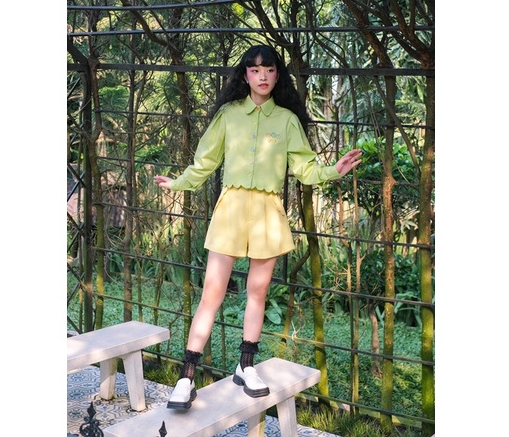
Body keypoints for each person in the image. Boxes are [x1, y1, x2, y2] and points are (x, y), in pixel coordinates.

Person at [154, 44, 362, 410]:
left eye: (269, 69)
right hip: (230, 211)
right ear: (245, 74)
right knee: (212, 293)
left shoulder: (287, 120)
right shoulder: (228, 115)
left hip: (268, 213)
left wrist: (334, 170)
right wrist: (179, 183)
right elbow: (205, 162)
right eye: (255, 69)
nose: (262, 76)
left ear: (278, 75)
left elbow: (305, 169)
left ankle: (245, 365)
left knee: (257, 292)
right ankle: (186, 376)